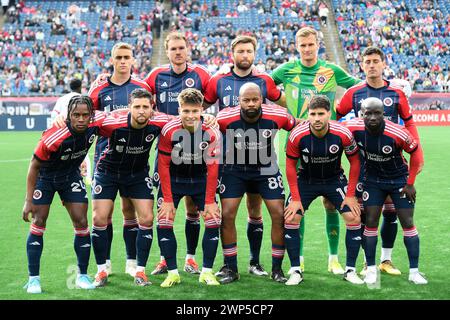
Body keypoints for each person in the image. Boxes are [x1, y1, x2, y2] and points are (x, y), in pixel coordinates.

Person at [271, 27, 360, 274]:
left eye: (311, 45)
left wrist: (339, 112)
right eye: (303, 45)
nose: (307, 49)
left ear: (318, 45)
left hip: (328, 142)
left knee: (331, 204)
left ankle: (333, 258)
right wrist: (283, 103)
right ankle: (298, 259)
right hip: (297, 143)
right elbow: (265, 85)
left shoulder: (330, 70)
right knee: (298, 203)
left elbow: (356, 88)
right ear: (296, 46)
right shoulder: (287, 70)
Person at [203, 35, 286, 277]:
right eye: (240, 51)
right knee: (227, 213)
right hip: (232, 160)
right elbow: (204, 106)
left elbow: (285, 105)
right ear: (233, 54)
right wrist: (207, 118)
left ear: (254, 53)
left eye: (249, 51)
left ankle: (255, 262)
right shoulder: (218, 80)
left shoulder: (264, 80)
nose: (245, 55)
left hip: (264, 161)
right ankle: (230, 267)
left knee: (256, 212)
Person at [337, 46, 422, 276]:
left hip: (393, 159)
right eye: (368, 61)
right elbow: (335, 116)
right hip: (365, 166)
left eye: (376, 61)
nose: (372, 65)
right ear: (362, 65)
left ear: (384, 64)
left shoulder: (396, 93)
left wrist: (417, 146)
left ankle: (386, 259)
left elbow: (409, 121)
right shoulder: (353, 93)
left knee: (393, 213)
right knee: (367, 215)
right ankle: (368, 263)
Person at [215, 83, 297, 284]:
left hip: (266, 169)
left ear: (262, 99)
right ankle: (231, 268)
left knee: (279, 214)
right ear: (239, 101)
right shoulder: (225, 117)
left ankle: (275, 269)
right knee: (227, 214)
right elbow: (203, 126)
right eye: (246, 100)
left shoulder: (278, 114)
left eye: (255, 99)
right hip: (235, 170)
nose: (251, 104)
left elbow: (299, 125)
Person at [22, 96, 104, 293]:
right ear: (68, 115)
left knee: (82, 221)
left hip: (70, 176)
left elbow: (120, 116)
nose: (81, 119)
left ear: (91, 115)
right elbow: (33, 166)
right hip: (46, 178)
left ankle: (83, 275)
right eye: (76, 115)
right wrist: (28, 200)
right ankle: (33, 279)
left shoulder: (97, 124)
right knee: (39, 221)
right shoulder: (54, 135)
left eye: (85, 115)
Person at [145, 32, 212, 275]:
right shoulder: (155, 75)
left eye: (181, 47)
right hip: (166, 149)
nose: (178, 52)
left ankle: (191, 259)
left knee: (193, 209)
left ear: (187, 48)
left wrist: (209, 117)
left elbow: (213, 99)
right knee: (165, 208)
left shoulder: (201, 74)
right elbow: (140, 98)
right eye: (173, 48)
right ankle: (165, 259)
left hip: (197, 150)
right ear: (167, 50)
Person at [90, 89, 172, 287]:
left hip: (137, 174)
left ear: (152, 108)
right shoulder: (113, 122)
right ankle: (102, 270)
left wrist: (207, 119)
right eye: (137, 107)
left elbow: (184, 118)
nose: (141, 111)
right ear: (129, 108)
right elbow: (85, 123)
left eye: (146, 107)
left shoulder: (159, 121)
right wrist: (60, 119)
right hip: (108, 173)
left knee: (147, 217)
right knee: (99, 218)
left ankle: (140, 271)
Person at [88, 42, 153, 278]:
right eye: (119, 57)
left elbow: (152, 117)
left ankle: (131, 261)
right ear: (112, 60)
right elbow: (87, 120)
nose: (123, 61)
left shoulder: (141, 87)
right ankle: (104, 265)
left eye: (127, 57)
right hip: (105, 160)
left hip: (135, 163)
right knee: (102, 215)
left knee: (129, 212)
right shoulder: (99, 89)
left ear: (133, 60)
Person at [346, 97, 426, 285]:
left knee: (407, 222)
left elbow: (415, 153)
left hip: (398, 179)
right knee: (371, 221)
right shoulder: (353, 128)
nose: (373, 117)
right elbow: (333, 130)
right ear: (361, 114)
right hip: (372, 181)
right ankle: (371, 269)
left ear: (384, 114)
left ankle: (414, 272)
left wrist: (410, 182)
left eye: (377, 113)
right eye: (368, 113)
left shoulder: (397, 132)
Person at [284, 95, 362, 285]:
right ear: (308, 115)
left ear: (329, 114)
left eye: (321, 114)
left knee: (354, 217)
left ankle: (350, 270)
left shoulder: (342, 133)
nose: (317, 118)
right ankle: (295, 269)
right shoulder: (297, 134)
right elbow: (289, 166)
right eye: (313, 114)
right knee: (291, 217)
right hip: (306, 180)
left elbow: (355, 162)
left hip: (334, 179)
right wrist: (295, 198)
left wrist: (351, 195)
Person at [156, 88, 222, 287]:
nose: (191, 116)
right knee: (164, 221)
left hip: (200, 180)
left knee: (213, 221)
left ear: (202, 110)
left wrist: (210, 201)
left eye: (195, 111)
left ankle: (207, 272)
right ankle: (173, 273)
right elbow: (163, 165)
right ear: (179, 110)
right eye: (186, 111)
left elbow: (213, 169)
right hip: (174, 180)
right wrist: (167, 199)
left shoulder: (211, 132)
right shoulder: (169, 130)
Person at [50, 78, 93, 184]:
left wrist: (56, 128)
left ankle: (63, 176)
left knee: (65, 154)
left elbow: (54, 115)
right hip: (81, 129)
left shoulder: (62, 98)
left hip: (63, 132)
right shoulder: (84, 99)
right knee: (84, 153)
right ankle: (87, 178)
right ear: (80, 87)